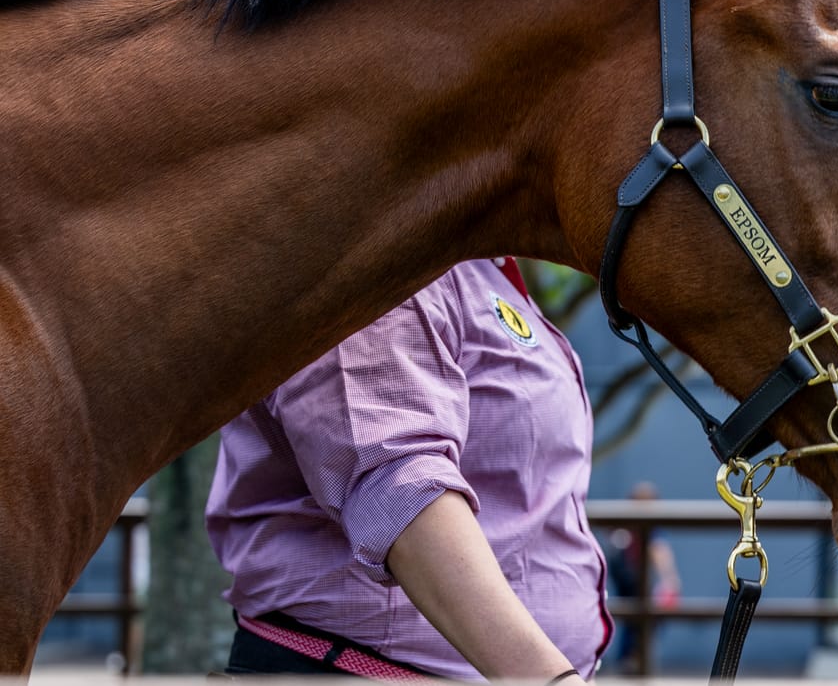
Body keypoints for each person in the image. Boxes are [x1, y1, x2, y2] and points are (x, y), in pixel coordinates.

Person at [206, 258, 609, 683]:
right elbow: (398, 492)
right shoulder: (379, 253)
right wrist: (548, 679)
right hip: (365, 667)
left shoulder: (484, 268)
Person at [604, 481, 683, 674]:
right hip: (629, 582)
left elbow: (660, 553)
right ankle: (631, 660)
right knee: (633, 622)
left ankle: (634, 660)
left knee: (642, 625)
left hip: (642, 585)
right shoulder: (626, 529)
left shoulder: (651, 532)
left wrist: (670, 581)